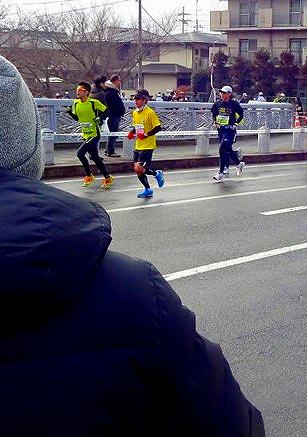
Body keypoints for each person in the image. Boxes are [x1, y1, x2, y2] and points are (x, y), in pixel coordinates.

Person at [0, 54, 265, 436]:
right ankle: (154, 178)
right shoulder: (136, 293)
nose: (139, 105)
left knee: (195, 154)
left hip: (150, 143)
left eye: (141, 102)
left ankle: (182, 172)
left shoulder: (163, 112)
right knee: (131, 165)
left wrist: (147, 131)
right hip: (128, 145)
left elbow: (157, 122)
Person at [66, 81, 115, 189]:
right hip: (86, 134)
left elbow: (107, 111)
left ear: (87, 92)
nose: (77, 92)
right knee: (95, 157)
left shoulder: (93, 102)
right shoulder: (76, 103)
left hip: (94, 133)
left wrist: (100, 118)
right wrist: (70, 112)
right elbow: (77, 118)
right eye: (77, 90)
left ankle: (89, 175)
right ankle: (107, 177)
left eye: (80, 90)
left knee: (80, 153)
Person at [125, 89, 165, 198]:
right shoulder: (135, 112)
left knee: (138, 168)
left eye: (138, 99)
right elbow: (136, 126)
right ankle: (148, 189)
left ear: (144, 100)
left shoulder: (150, 112)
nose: (135, 101)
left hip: (148, 145)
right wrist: (131, 132)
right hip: (138, 144)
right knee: (137, 170)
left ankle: (157, 174)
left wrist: (146, 135)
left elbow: (158, 127)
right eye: (134, 99)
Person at [211, 85, 246, 183]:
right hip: (221, 130)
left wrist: (235, 124)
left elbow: (241, 115)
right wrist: (215, 122)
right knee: (228, 150)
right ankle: (239, 163)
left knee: (222, 149)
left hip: (230, 131)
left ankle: (220, 173)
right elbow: (214, 115)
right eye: (221, 92)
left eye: (224, 92)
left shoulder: (234, 104)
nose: (222, 94)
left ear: (229, 94)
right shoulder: (217, 104)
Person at [104, 74, 125, 157]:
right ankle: (110, 151)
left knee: (112, 133)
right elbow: (111, 104)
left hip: (114, 115)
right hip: (114, 115)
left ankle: (108, 150)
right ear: (115, 81)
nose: (120, 82)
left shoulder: (111, 90)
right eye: (119, 81)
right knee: (113, 133)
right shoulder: (111, 91)